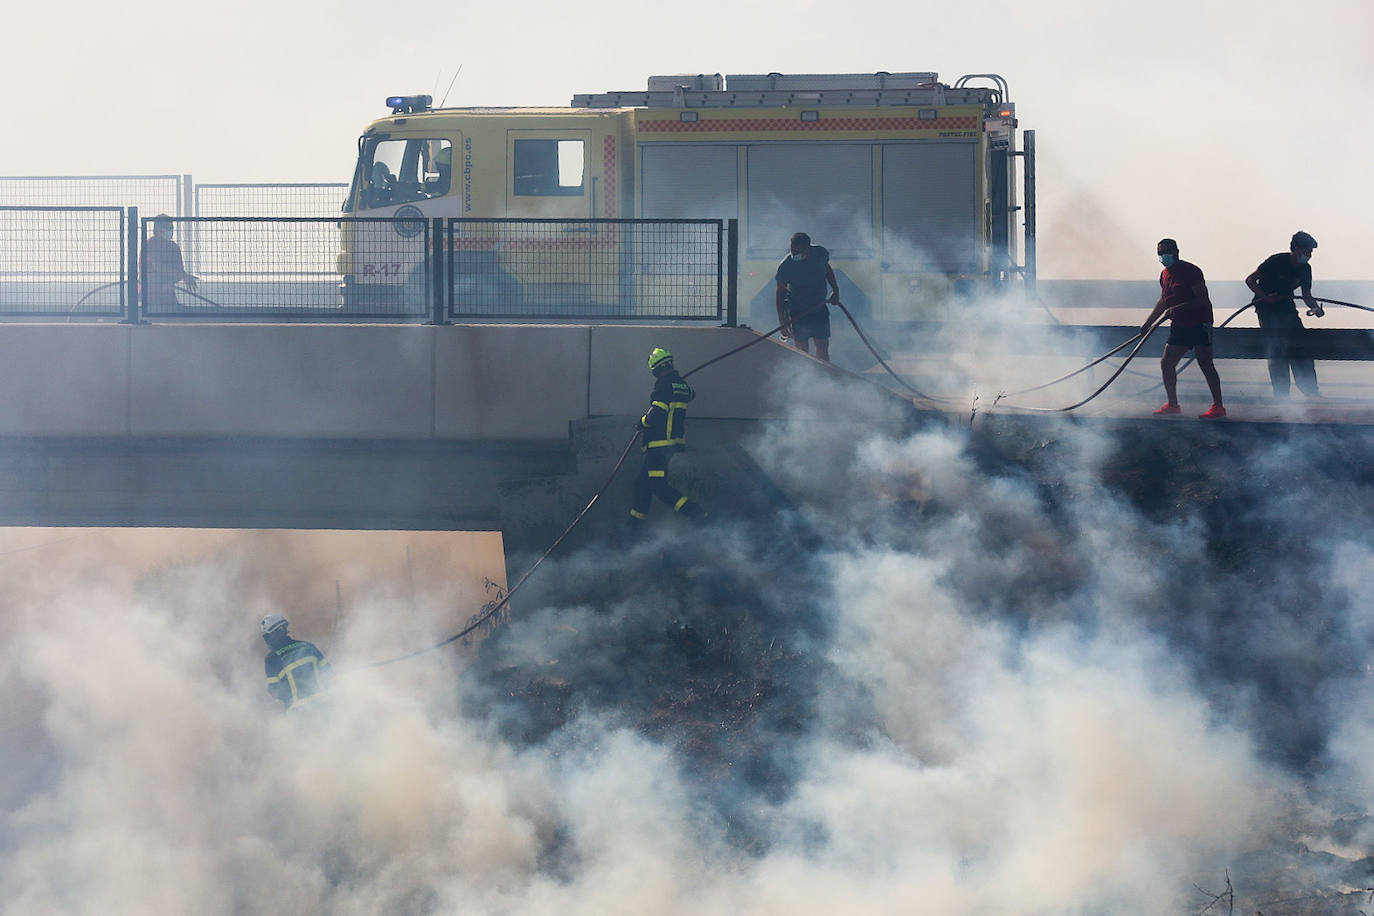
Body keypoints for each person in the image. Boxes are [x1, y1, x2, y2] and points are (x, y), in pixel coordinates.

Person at [1139, 238, 1226, 419]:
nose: (1164, 256)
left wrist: (1177, 308)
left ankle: (1218, 407)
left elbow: (1202, 299)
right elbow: (1163, 301)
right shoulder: (1164, 274)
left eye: (1167, 252)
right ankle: (1173, 405)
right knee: (1167, 362)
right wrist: (1148, 322)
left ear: (1176, 252)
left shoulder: (1191, 271)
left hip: (1199, 323)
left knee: (1205, 363)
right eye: (1160, 253)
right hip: (1179, 325)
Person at [628, 347, 706, 529]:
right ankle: (634, 526)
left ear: (656, 369)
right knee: (642, 484)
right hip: (671, 443)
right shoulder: (682, 386)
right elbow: (691, 394)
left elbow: (657, 413)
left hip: (659, 444)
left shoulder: (663, 385)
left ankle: (696, 513)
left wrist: (642, 422)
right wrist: (679, 384)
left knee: (658, 487)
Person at [1244, 231, 1324, 398]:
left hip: (1288, 309)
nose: (1309, 255)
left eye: (1311, 252)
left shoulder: (1305, 269)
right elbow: (1250, 280)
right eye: (1307, 251)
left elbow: (1307, 295)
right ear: (1296, 249)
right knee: (1277, 350)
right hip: (1267, 310)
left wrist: (1316, 309)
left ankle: (1311, 391)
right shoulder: (1276, 261)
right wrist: (1265, 297)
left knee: (1301, 346)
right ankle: (1281, 394)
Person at [775, 232, 842, 362]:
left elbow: (827, 270)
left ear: (807, 249)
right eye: (792, 250)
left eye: (797, 252)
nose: (793, 254)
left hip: (819, 308)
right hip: (798, 311)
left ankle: (823, 376)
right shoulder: (786, 265)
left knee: (822, 347)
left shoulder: (820, 254)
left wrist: (836, 290)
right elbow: (779, 293)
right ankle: (803, 375)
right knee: (801, 350)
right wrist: (782, 322)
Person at [261, 614, 332, 711]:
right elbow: (329, 673)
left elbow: (275, 690)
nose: (269, 640)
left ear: (279, 631)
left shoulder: (272, 659)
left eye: (270, 636)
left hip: (298, 713)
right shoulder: (308, 646)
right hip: (324, 706)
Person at [140, 214, 197, 309]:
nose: (170, 230)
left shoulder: (174, 247)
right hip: (149, 296)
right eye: (167, 227)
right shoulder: (150, 245)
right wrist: (182, 276)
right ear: (157, 229)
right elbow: (158, 266)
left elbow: (179, 271)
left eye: (171, 227)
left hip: (168, 297)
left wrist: (184, 276)